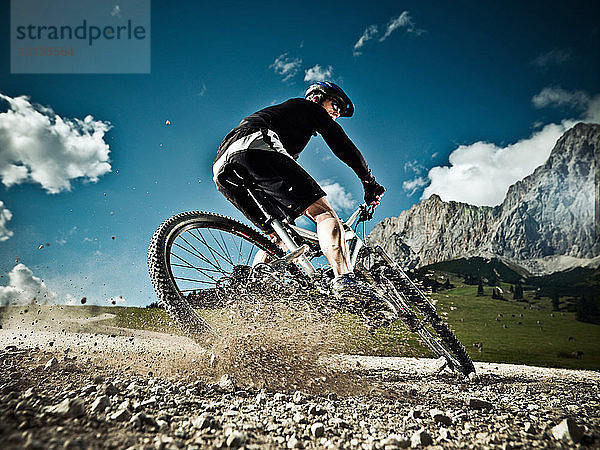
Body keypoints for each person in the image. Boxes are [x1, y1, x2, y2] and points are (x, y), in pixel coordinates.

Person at [213, 81, 385, 299]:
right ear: (317, 98)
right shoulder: (307, 107)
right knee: (322, 212)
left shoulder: (289, 126)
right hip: (254, 145)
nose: (337, 113)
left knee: (279, 234)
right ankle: (345, 280)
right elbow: (342, 144)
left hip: (222, 168)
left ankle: (255, 288)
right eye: (336, 105)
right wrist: (369, 182)